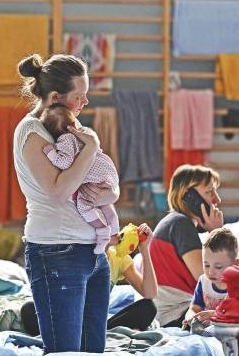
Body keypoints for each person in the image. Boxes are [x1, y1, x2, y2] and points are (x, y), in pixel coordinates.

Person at [14, 53, 118, 353]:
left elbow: (100, 175)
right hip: (56, 252)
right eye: (80, 96)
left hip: (93, 252)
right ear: (56, 97)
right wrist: (92, 145)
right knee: (65, 351)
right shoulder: (31, 131)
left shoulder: (68, 129)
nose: (85, 103)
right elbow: (59, 190)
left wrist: (111, 195)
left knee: (92, 349)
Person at [21, 223, 158, 335]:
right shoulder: (73, 251)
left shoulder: (117, 257)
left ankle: (94, 334)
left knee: (148, 307)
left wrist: (145, 250)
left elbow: (150, 293)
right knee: (28, 309)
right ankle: (76, 336)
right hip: (66, 319)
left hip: (96, 323)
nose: (114, 226)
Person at [150, 164, 224, 327]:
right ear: (189, 196)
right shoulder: (181, 224)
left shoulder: (175, 222)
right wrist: (216, 232)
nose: (217, 200)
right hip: (176, 315)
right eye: (209, 192)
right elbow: (210, 278)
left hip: (169, 314)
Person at [40, 103, 119, 254]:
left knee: (84, 204)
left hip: (93, 174)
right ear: (73, 123)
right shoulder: (86, 132)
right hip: (107, 169)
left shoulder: (65, 140)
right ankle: (115, 231)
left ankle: (102, 232)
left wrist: (50, 152)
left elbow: (65, 161)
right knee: (104, 202)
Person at [183, 227, 239, 328]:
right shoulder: (204, 281)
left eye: (218, 267)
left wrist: (215, 314)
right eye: (206, 265)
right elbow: (194, 308)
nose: (210, 272)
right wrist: (190, 316)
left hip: (229, 332)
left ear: (234, 264)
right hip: (206, 332)